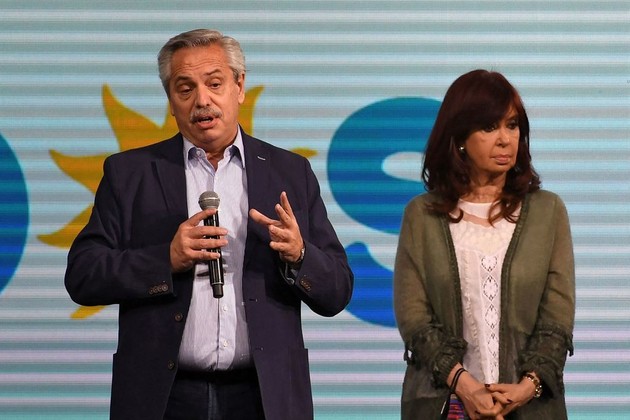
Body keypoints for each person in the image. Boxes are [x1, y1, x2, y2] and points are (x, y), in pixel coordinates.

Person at [64, 29, 353, 420]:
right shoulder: (130, 174)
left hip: (264, 398)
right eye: (185, 89)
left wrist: (299, 255)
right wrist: (165, 259)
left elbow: (337, 291)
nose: (202, 100)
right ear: (170, 100)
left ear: (239, 87)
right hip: (164, 398)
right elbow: (83, 275)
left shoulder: (289, 172)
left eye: (214, 84)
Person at [393, 69, 575, 419]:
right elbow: (414, 319)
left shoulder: (548, 212)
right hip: (445, 404)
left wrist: (527, 386)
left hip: (530, 406)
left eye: (512, 125)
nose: (505, 139)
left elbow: (557, 317)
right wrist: (465, 385)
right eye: (490, 127)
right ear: (460, 138)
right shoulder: (421, 215)